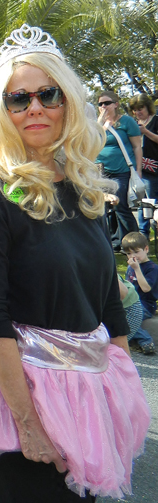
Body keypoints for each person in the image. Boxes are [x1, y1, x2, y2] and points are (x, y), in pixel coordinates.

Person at [0, 25, 149, 503]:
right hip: (25, 398)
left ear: (68, 102)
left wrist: (119, 386)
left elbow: (106, 297)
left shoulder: (83, 183)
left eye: (48, 93)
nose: (35, 107)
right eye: (18, 97)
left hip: (88, 393)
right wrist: (29, 425)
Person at [96, 90, 141, 250]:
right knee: (107, 208)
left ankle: (135, 242)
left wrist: (138, 171)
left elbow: (137, 147)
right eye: (100, 104)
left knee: (120, 206)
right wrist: (101, 121)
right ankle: (116, 242)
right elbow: (92, 142)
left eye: (107, 103)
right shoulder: (97, 124)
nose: (103, 106)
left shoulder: (126, 122)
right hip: (102, 171)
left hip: (121, 170)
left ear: (116, 104)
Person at [122, 231, 158, 355]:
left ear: (146, 249)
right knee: (117, 315)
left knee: (128, 319)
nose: (133, 256)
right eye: (128, 253)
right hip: (131, 302)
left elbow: (146, 288)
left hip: (146, 304)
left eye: (136, 252)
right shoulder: (130, 267)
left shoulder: (152, 268)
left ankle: (145, 339)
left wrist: (137, 269)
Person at [129, 93, 158, 236]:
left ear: (148, 107)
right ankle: (143, 233)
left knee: (150, 201)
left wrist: (145, 132)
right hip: (140, 169)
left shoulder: (156, 121)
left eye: (141, 108)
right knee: (144, 202)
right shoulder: (133, 123)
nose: (138, 112)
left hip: (154, 168)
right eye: (135, 109)